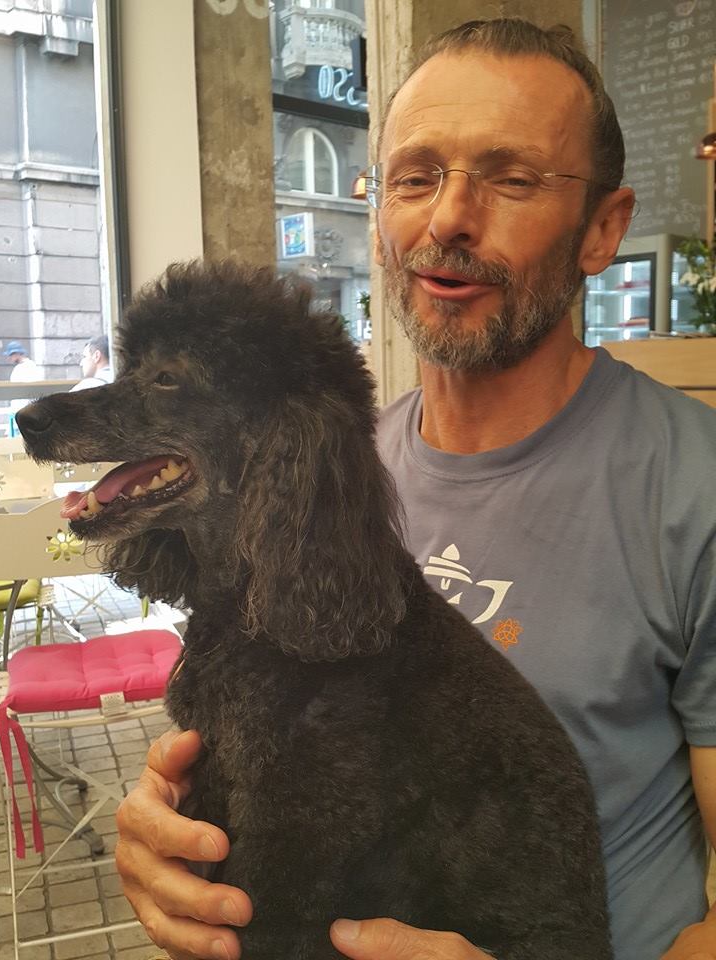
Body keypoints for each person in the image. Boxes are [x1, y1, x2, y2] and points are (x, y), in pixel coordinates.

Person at [113, 19, 716, 960]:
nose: (448, 220)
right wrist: (169, 846)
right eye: (414, 177)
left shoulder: (694, 488)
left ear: (603, 228)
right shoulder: (316, 474)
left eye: (512, 179)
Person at [3, 340, 42, 413]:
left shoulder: (29, 366)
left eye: (10, 355)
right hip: (18, 409)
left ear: (16, 354)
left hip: (25, 409)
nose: (9, 358)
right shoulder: (19, 367)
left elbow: (31, 390)